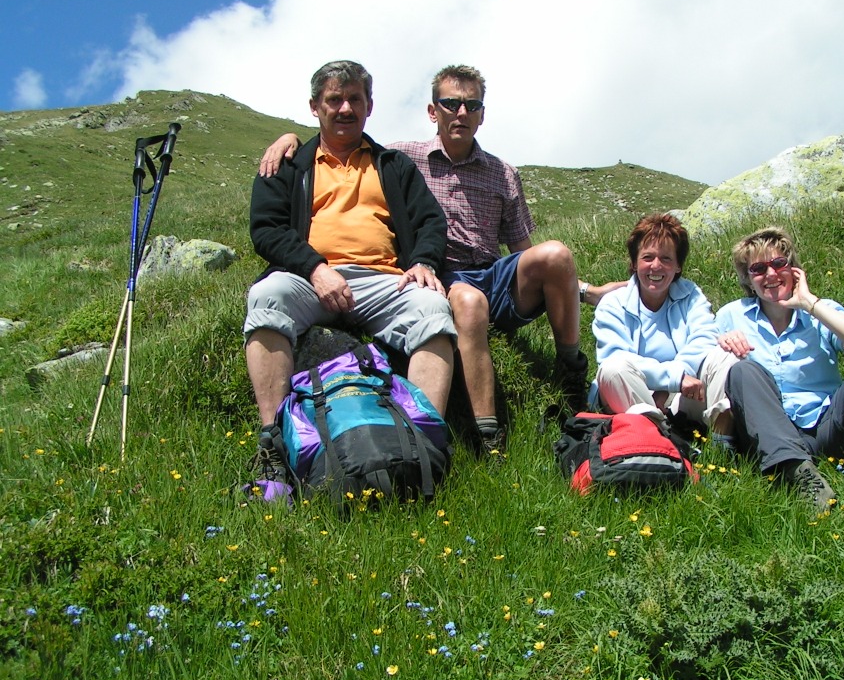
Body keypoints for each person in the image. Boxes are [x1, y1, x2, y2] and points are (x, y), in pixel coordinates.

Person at [261, 64, 624, 453]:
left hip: (492, 273)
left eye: (472, 105)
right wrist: (289, 139)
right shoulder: (401, 158)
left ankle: (570, 369)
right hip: (443, 275)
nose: (461, 113)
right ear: (433, 111)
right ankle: (488, 434)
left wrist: (584, 290)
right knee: (468, 300)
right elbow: (343, 140)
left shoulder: (503, 173)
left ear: (482, 115)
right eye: (451, 103)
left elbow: (522, 249)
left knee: (556, 254)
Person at [245, 60, 457, 498]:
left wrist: (423, 261)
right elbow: (266, 229)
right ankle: (273, 445)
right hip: (309, 277)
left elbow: (430, 221)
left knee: (433, 308)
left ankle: (421, 447)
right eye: (334, 99)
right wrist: (315, 268)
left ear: (369, 106)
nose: (345, 108)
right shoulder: (289, 163)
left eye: (354, 99)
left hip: (384, 279)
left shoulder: (393, 165)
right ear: (314, 107)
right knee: (267, 296)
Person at [716, 226, 844, 510]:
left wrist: (809, 303)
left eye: (779, 263)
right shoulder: (731, 315)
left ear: (794, 269)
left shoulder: (819, 311)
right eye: (758, 269)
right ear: (749, 280)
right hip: (771, 432)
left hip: (829, 425)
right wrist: (722, 343)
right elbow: (707, 370)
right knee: (743, 372)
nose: (771, 274)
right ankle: (799, 477)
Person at [591, 212, 736, 439]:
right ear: (634, 263)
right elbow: (614, 356)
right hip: (633, 395)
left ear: (678, 266)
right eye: (647, 257)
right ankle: (655, 439)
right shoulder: (613, 304)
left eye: (666, 259)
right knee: (612, 368)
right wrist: (672, 378)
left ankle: (722, 444)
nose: (656, 266)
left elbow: (704, 338)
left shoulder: (691, 295)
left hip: (682, 396)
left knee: (725, 356)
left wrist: (670, 387)